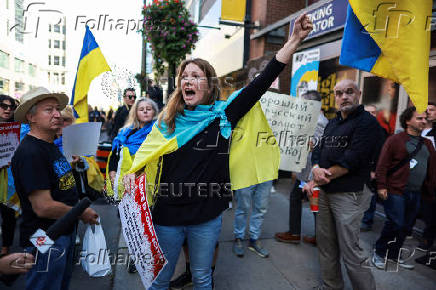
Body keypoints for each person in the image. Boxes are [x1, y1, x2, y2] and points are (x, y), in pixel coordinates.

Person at [123, 14, 313, 290]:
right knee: (159, 281)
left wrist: (294, 40)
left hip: (206, 215)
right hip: (167, 216)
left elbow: (261, 82)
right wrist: (132, 174)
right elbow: (145, 160)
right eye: (184, 77)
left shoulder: (224, 116)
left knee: (202, 277)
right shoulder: (166, 123)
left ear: (209, 85)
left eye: (195, 76)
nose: (188, 80)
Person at [11, 87, 99, 290]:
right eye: (48, 110)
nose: (57, 114)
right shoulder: (31, 152)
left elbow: (57, 182)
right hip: (43, 237)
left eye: (57, 109)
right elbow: (43, 207)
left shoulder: (49, 145)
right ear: (31, 117)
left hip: (61, 233)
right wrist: (81, 211)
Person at [303, 80, 378, 289]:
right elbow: (318, 149)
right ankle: (331, 286)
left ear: (359, 94)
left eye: (349, 92)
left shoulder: (367, 123)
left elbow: (353, 159)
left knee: (351, 250)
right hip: (325, 191)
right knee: (326, 244)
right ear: (334, 97)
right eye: (339, 93)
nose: (344, 97)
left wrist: (319, 177)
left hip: (348, 195)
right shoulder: (333, 122)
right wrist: (316, 167)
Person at [372, 106, 436, 270]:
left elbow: (431, 169)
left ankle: (394, 254)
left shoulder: (428, 144)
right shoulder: (396, 139)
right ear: (408, 120)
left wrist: (429, 191)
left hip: (417, 193)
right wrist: (381, 186)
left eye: (424, 119)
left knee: (406, 226)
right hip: (395, 190)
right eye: (419, 118)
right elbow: (382, 164)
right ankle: (379, 252)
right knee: (396, 222)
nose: (423, 121)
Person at [274, 90, 328, 246]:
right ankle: (298, 233)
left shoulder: (318, 122)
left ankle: (315, 236)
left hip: (311, 174)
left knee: (315, 205)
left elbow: (314, 149)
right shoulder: (312, 120)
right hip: (305, 173)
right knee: (301, 200)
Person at [107, 98, 158, 200]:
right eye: (141, 109)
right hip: (125, 183)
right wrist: (112, 175)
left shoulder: (158, 132)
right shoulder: (125, 132)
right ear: (136, 113)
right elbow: (115, 155)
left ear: (154, 112)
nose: (145, 111)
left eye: (148, 109)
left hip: (147, 183)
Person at [360, 104, 387, 232]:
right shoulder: (356, 129)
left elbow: (381, 153)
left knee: (369, 196)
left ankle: (366, 221)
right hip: (355, 168)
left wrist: (373, 170)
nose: (371, 115)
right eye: (368, 112)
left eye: (374, 113)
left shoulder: (381, 131)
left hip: (371, 169)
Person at [416, 102, 436, 253]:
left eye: (432, 110)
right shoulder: (417, 129)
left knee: (430, 210)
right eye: (426, 109)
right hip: (414, 174)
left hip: (431, 176)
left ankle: (427, 239)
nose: (428, 112)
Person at [0, 95, 18, 257]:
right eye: (3, 106)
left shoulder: (16, 128)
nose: (7, 109)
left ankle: (5, 249)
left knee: (8, 213)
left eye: (11, 107)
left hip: (10, 180)